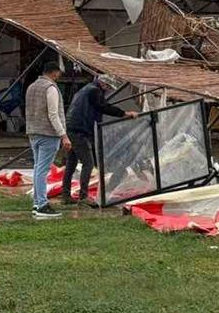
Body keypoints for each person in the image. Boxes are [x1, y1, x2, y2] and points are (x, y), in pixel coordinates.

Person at [63, 74, 136, 205]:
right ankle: (83, 196)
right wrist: (124, 113)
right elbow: (103, 106)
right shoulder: (94, 90)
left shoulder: (86, 89)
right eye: (107, 87)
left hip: (71, 128)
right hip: (80, 130)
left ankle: (66, 195)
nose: (107, 90)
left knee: (71, 164)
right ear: (103, 84)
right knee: (88, 163)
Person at [25, 64, 69, 219]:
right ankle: (42, 204)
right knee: (42, 170)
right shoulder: (50, 88)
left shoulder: (32, 87)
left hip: (33, 131)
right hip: (48, 134)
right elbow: (53, 114)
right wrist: (63, 135)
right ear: (54, 73)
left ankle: (37, 203)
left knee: (38, 168)